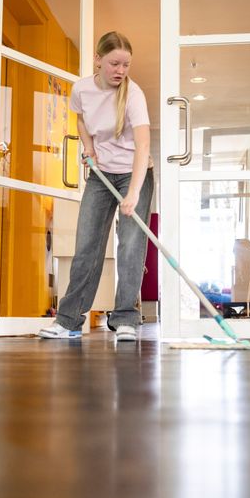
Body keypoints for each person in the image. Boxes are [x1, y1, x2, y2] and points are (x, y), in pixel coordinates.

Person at [38, 31, 153, 343]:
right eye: (114, 63)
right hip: (101, 176)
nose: (120, 70)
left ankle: (126, 318)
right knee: (87, 245)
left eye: (126, 65)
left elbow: (143, 145)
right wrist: (88, 147)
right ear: (98, 60)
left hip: (134, 172)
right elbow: (80, 121)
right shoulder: (82, 89)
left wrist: (133, 193)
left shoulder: (134, 95)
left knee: (130, 245)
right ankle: (69, 320)